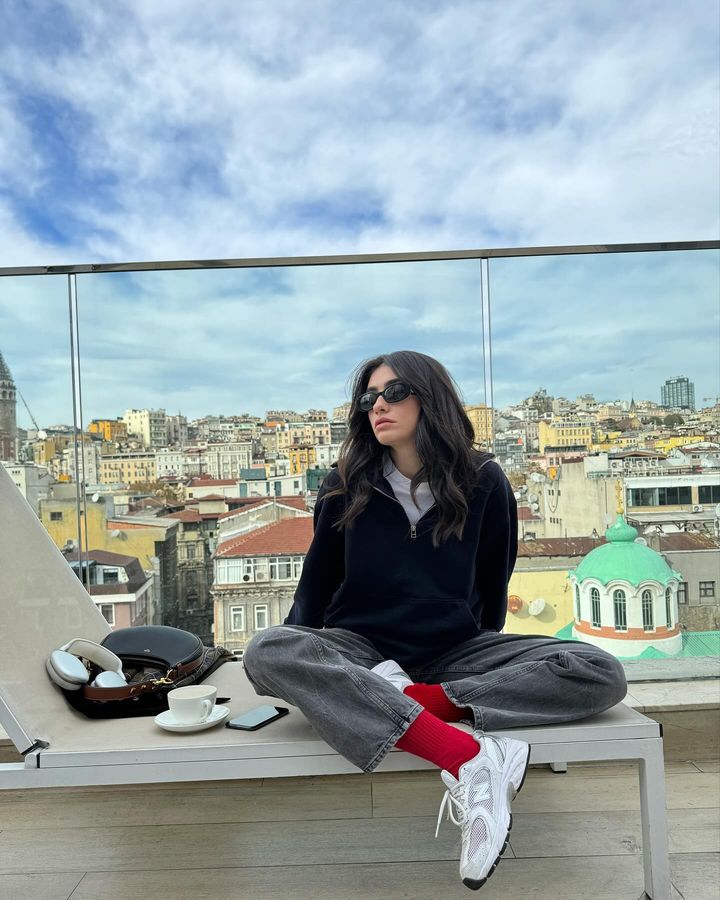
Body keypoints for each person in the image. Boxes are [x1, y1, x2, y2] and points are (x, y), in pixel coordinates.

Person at [244, 350, 627, 891]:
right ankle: (469, 757)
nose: (379, 406)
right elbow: (316, 586)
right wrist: (295, 665)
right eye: (369, 398)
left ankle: (411, 702)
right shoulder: (344, 483)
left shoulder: (484, 481)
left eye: (395, 392)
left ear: (432, 397)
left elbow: (492, 584)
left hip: (454, 652)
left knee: (598, 670)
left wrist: (471, 663)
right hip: (362, 649)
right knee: (267, 649)